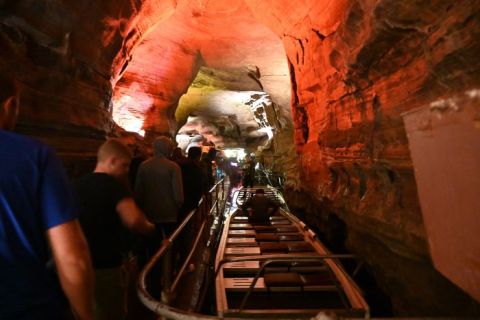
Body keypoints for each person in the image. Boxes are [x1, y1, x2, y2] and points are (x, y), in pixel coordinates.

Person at [0, 74, 94, 319]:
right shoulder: (34, 155)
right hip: (25, 307)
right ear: (10, 105)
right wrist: (84, 315)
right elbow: (72, 257)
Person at [74, 139, 155, 319]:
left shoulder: (77, 185)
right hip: (106, 264)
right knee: (111, 312)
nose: (126, 171)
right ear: (111, 160)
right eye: (124, 165)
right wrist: (149, 228)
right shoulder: (114, 186)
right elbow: (133, 220)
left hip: (79, 265)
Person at [134, 136, 183, 298]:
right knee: (168, 248)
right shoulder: (173, 167)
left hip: (149, 215)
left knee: (150, 248)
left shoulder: (144, 166)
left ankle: (148, 280)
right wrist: (178, 207)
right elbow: (178, 195)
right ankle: (165, 283)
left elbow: (139, 192)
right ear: (167, 149)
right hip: (169, 215)